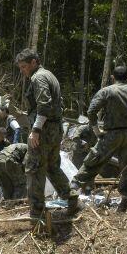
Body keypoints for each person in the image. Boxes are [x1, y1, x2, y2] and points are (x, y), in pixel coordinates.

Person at [70, 66, 127, 212]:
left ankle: (71, 194)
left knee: (91, 163)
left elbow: (91, 111)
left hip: (111, 134)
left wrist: (97, 131)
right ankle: (123, 203)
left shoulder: (107, 91)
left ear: (112, 77)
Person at [16, 48, 79, 218]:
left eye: (24, 66)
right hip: (54, 128)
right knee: (52, 166)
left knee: (34, 168)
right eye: (20, 67)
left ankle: (37, 211)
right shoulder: (49, 75)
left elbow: (44, 104)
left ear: (34, 62)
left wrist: (36, 130)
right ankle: (72, 199)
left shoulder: (39, 78)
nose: (22, 70)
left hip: (44, 130)